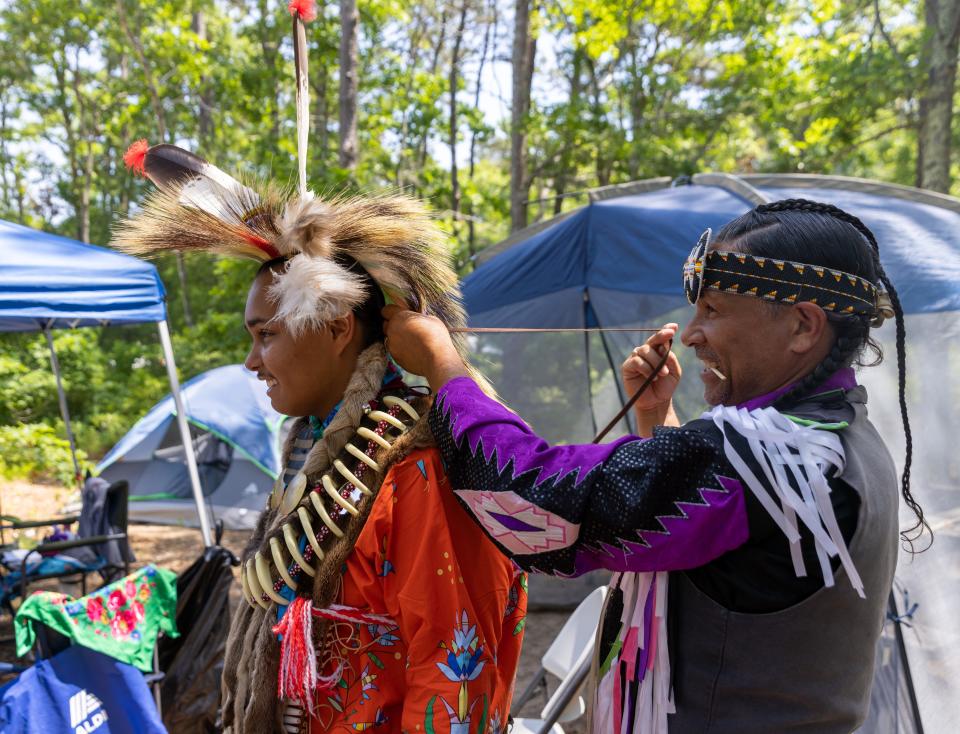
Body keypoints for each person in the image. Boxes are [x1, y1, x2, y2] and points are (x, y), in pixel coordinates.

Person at [382, 199, 928, 734]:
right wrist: (657, 416)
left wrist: (444, 366)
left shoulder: (772, 458)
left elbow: (538, 500)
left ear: (804, 327)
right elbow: (707, 538)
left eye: (712, 310)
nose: (690, 334)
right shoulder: (838, 440)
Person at [113, 144, 526, 734]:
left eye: (267, 336)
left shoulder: (416, 468)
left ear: (336, 329)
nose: (252, 361)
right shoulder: (311, 454)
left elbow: (454, 668)